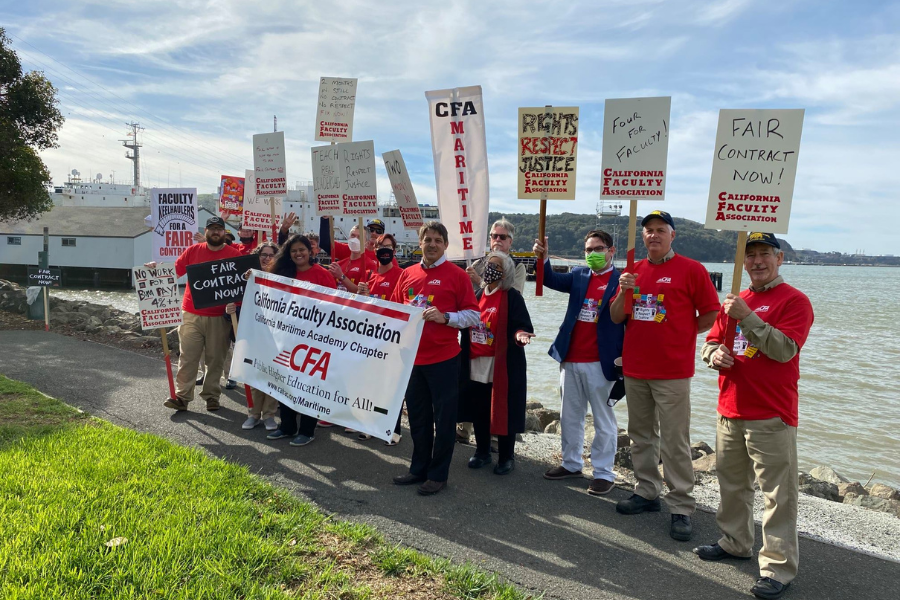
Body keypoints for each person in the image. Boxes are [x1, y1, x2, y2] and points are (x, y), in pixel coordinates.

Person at [693, 233, 814, 600]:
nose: (757, 261)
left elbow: (784, 350)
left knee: (778, 495)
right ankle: (735, 542)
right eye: (751, 256)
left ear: (780, 259)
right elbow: (710, 341)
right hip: (729, 409)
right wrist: (712, 355)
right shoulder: (737, 299)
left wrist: (747, 319)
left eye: (765, 254)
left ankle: (778, 567)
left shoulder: (795, 301)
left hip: (771, 415)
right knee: (732, 486)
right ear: (743, 263)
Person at [609, 210, 721, 541]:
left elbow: (711, 314)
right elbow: (617, 317)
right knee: (641, 435)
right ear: (642, 238)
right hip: (635, 368)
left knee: (674, 440)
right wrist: (621, 290)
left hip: (672, 371)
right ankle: (646, 492)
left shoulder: (691, 270)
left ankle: (682, 507)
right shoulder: (634, 271)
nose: (653, 235)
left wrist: (683, 334)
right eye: (648, 231)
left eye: (660, 230)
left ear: (673, 236)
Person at [390, 221, 480, 496]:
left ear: (445, 244)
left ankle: (438, 474)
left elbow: (474, 316)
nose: (432, 244)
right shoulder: (407, 273)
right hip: (412, 359)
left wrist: (446, 318)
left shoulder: (457, 275)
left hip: (443, 359)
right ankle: (418, 468)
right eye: (427, 239)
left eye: (437, 240)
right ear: (420, 243)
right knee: (417, 417)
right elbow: (393, 310)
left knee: (443, 420)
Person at [533, 230, 625, 495]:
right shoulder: (579, 275)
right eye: (588, 250)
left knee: (603, 420)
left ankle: (604, 473)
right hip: (570, 357)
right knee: (569, 416)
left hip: (602, 362)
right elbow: (548, 278)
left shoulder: (622, 281)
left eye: (598, 249)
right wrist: (545, 257)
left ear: (611, 250)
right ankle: (571, 463)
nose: (592, 254)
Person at [149, 216, 244, 412]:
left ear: (224, 232)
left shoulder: (234, 254)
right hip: (190, 313)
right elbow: (174, 272)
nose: (216, 232)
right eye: (212, 229)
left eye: (219, 229)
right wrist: (155, 270)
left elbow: (241, 286)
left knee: (215, 359)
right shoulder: (192, 251)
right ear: (206, 232)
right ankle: (182, 397)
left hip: (220, 316)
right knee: (187, 357)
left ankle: (211, 396)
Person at [458, 252, 535, 475]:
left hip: (501, 363)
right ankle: (482, 451)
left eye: (497, 266)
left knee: (503, 408)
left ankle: (506, 456)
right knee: (480, 408)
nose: (490, 268)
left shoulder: (512, 296)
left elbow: (522, 325)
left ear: (506, 272)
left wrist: (521, 335)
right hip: (476, 360)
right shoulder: (479, 293)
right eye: (489, 265)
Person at [264, 234, 337, 447]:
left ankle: (307, 430)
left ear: (311, 251)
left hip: (314, 340)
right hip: (286, 338)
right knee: (285, 382)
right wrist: (253, 277)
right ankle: (286, 427)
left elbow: (333, 308)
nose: (298, 254)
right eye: (294, 250)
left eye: (302, 250)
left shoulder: (322, 275)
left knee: (309, 385)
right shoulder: (282, 273)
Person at [235, 241, 281, 431]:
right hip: (253, 332)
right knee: (253, 372)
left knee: (272, 374)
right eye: (263, 254)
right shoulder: (249, 276)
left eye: (271, 255)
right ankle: (253, 413)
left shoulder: (281, 278)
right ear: (257, 255)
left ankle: (269, 414)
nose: (267, 258)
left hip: (275, 334)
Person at [467, 219, 526, 293]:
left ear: (510, 242)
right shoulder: (477, 264)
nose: (498, 239)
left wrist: (479, 281)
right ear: (490, 239)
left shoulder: (518, 267)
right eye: (494, 236)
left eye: (502, 237)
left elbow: (514, 296)